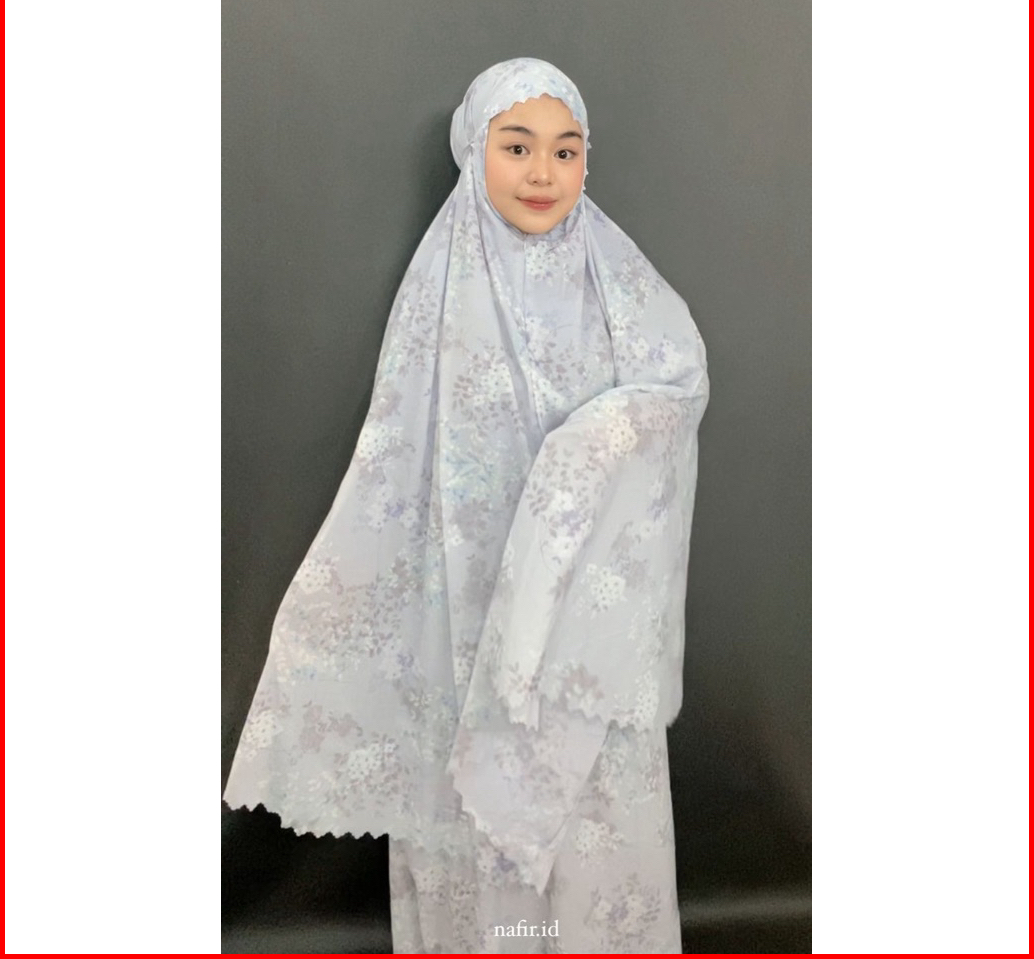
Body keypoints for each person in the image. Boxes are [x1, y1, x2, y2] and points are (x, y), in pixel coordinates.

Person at [223, 57, 709, 953]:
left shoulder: (615, 277)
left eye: (565, 150)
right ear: (473, 151)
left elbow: (678, 384)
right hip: (472, 607)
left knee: (595, 803)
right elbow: (401, 455)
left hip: (583, 618)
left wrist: (595, 440)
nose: (542, 172)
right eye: (516, 147)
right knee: (478, 806)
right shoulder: (442, 292)